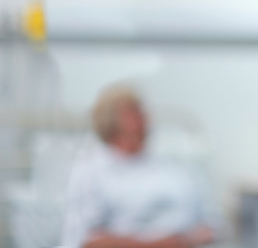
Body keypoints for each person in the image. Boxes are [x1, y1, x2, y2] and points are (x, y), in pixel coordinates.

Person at [61, 85, 224, 248]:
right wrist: (164, 244)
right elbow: (87, 241)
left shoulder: (174, 168)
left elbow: (212, 224)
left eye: (142, 112)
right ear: (110, 121)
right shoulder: (90, 171)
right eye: (133, 113)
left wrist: (194, 238)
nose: (144, 118)